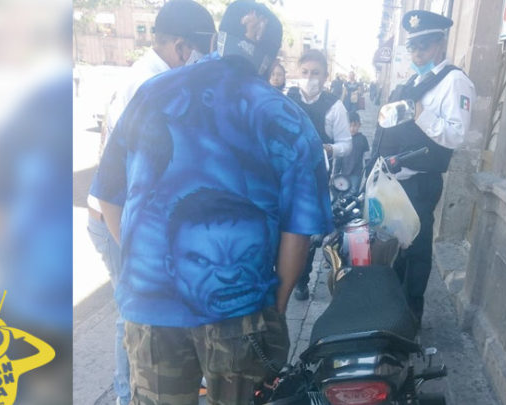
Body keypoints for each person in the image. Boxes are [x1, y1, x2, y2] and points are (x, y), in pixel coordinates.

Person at [90, 1, 333, 404]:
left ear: (218, 39)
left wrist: (142, 266)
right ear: (272, 58)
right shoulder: (286, 118)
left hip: (151, 306)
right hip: (240, 312)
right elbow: (298, 232)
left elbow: (107, 195)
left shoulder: (152, 92)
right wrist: (274, 307)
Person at [84, 2, 215, 404]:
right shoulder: (149, 85)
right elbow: (118, 180)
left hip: (131, 216)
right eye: (205, 51)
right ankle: (126, 396)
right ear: (182, 47)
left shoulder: (157, 79)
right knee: (134, 314)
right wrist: (135, 247)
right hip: (117, 217)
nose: (207, 62)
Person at [372, 10, 476, 325]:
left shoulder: (454, 81)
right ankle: (395, 311)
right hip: (396, 180)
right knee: (398, 248)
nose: (417, 53)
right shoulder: (416, 81)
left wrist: (420, 113)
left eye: (425, 45)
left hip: (420, 182)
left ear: (440, 44)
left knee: (416, 251)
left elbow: (455, 135)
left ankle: (411, 316)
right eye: (413, 47)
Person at [285, 49, 352, 301]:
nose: (309, 77)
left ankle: (301, 280)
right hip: (285, 174)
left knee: (306, 232)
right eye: (304, 72)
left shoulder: (334, 106)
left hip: (315, 179)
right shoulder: (286, 98)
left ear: (325, 76)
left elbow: (347, 144)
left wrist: (329, 148)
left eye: (315, 73)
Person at [336, 111, 370, 195]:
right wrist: (336, 171)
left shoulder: (362, 139)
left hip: (356, 172)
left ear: (359, 125)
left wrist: (368, 170)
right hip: (344, 172)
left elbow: (367, 156)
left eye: (355, 125)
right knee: (342, 191)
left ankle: (352, 202)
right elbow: (339, 156)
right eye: (350, 125)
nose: (352, 128)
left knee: (353, 191)